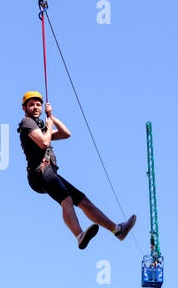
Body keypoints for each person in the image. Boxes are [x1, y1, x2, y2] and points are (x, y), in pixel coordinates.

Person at [18, 91, 137, 250]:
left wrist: (52, 117)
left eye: (38, 104)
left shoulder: (40, 126)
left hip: (49, 172)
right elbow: (44, 143)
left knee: (83, 201)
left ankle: (118, 230)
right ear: (24, 108)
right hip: (39, 172)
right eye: (31, 104)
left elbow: (66, 134)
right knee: (66, 199)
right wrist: (49, 126)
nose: (35, 107)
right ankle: (79, 235)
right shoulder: (27, 122)